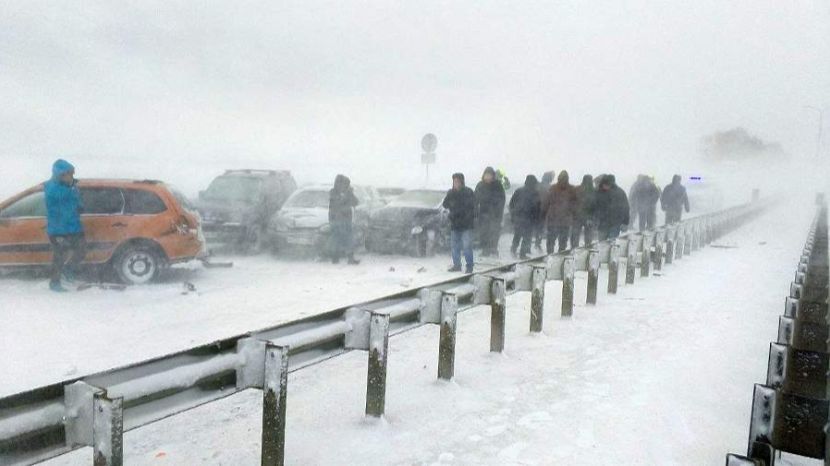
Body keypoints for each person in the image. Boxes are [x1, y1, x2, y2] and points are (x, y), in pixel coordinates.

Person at [44, 159, 86, 292]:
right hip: (58, 230)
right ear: (59, 175)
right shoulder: (52, 188)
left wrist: (79, 205)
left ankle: (68, 270)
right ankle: (54, 283)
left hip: (73, 226)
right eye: (68, 174)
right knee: (59, 257)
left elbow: (76, 203)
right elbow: (65, 197)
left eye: (71, 174)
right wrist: (73, 188)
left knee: (82, 251)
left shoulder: (70, 186)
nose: (70, 177)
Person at [443, 173, 476, 273]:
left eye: (458, 181)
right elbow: (445, 204)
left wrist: (468, 216)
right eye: (454, 181)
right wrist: (451, 204)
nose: (456, 183)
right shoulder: (451, 193)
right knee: (455, 246)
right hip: (455, 224)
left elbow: (473, 207)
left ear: (462, 182)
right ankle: (457, 265)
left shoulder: (468, 192)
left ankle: (469, 266)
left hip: (467, 224)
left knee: (467, 246)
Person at [541, 170, 577, 253]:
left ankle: (550, 255)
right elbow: (574, 204)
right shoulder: (572, 189)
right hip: (565, 220)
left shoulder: (553, 188)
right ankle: (561, 256)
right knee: (563, 242)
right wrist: (574, 215)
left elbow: (546, 202)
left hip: (553, 219)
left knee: (551, 241)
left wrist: (543, 214)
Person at [328, 174, 360, 265]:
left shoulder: (347, 193)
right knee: (336, 239)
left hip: (346, 220)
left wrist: (351, 194)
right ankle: (335, 258)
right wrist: (346, 195)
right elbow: (338, 204)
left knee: (348, 238)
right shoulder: (333, 193)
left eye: (347, 185)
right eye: (345, 184)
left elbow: (356, 202)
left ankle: (350, 258)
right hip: (336, 220)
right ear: (338, 184)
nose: (346, 186)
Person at [474, 166, 506, 257]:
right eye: (486, 175)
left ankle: (493, 250)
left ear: (493, 176)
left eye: (490, 175)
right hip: (483, 214)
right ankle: (485, 250)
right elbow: (475, 199)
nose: (488, 177)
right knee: (484, 233)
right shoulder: (480, 185)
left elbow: (502, 199)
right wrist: (475, 211)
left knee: (494, 232)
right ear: (483, 175)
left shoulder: (498, 185)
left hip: (495, 214)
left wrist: (498, 211)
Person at [508, 175, 541, 259]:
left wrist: (513, 215)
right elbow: (537, 208)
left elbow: (511, 204)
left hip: (518, 218)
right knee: (527, 237)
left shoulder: (519, 191)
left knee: (517, 234)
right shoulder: (535, 193)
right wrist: (537, 219)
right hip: (529, 219)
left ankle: (513, 249)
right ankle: (522, 254)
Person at [594, 174, 630, 241]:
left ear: (611, 184)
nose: (605, 186)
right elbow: (594, 206)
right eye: (604, 185)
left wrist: (625, 222)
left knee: (612, 242)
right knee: (602, 243)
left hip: (615, 223)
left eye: (607, 185)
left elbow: (626, 207)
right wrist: (594, 218)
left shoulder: (619, 192)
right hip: (602, 223)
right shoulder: (598, 192)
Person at [571, 174, 595, 248]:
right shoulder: (593, 191)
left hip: (577, 216)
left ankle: (574, 249)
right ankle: (587, 249)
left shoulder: (577, 189)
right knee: (588, 237)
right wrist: (591, 217)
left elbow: (572, 202)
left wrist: (573, 213)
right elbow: (595, 205)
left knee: (575, 236)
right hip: (588, 217)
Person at [534, 171, 554, 251]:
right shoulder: (549, 187)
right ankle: (537, 243)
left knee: (537, 227)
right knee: (540, 227)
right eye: (551, 177)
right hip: (543, 209)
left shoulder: (538, 185)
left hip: (536, 209)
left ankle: (535, 243)